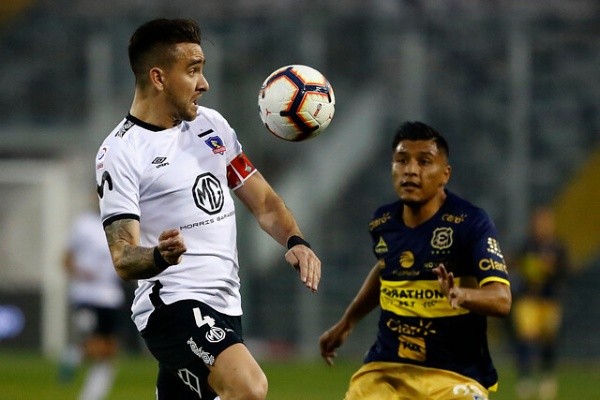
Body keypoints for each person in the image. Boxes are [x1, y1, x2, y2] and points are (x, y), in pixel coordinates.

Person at [94, 18, 321, 400]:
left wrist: (295, 240)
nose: (204, 84)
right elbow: (123, 256)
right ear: (159, 77)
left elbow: (264, 201)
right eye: (193, 71)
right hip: (173, 304)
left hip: (226, 306)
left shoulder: (212, 126)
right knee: (249, 388)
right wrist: (160, 255)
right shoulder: (121, 152)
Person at [319, 121, 512, 400]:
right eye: (402, 160)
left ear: (445, 174)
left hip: (454, 375)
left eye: (424, 162)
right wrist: (346, 323)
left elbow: (502, 299)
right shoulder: (383, 222)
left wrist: (462, 295)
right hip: (386, 369)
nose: (410, 170)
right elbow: (386, 268)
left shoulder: (470, 223)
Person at [59, 205, 126, 400]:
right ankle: (75, 358)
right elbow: (66, 259)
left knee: (110, 350)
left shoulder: (120, 224)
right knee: (97, 347)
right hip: (86, 296)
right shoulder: (83, 224)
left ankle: (75, 358)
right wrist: (81, 273)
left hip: (112, 297)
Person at [511, 206, 569, 400]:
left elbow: (566, 272)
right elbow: (514, 264)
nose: (541, 226)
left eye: (545, 222)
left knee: (548, 341)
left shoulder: (558, 247)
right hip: (528, 299)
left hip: (550, 300)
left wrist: (551, 268)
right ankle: (525, 379)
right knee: (526, 338)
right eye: (538, 222)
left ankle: (547, 378)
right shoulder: (527, 245)